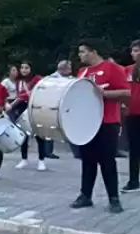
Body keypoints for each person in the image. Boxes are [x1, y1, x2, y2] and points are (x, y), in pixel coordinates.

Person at [73, 40, 127, 213]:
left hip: (107, 121)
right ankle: (85, 195)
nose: (79, 55)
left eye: (82, 52)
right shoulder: (82, 72)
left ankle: (114, 199)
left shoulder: (113, 68)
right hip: (86, 123)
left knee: (107, 161)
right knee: (87, 161)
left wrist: (104, 93)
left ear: (93, 52)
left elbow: (127, 92)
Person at [9, 61, 47, 171]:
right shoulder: (19, 82)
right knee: (23, 133)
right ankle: (24, 159)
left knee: (39, 134)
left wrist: (15, 102)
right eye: (22, 68)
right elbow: (19, 96)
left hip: (35, 107)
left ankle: (41, 160)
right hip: (22, 108)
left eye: (26, 68)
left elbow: (36, 92)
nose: (24, 70)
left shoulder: (37, 79)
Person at [44, 60, 72, 159]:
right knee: (49, 128)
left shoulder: (62, 78)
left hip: (57, 106)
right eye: (69, 68)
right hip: (50, 105)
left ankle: (47, 151)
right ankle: (47, 151)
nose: (71, 70)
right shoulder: (53, 79)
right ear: (62, 69)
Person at [123, 40, 140, 193]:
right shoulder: (127, 70)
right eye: (133, 51)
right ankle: (134, 181)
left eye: (137, 50)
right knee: (134, 149)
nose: (134, 54)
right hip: (132, 114)